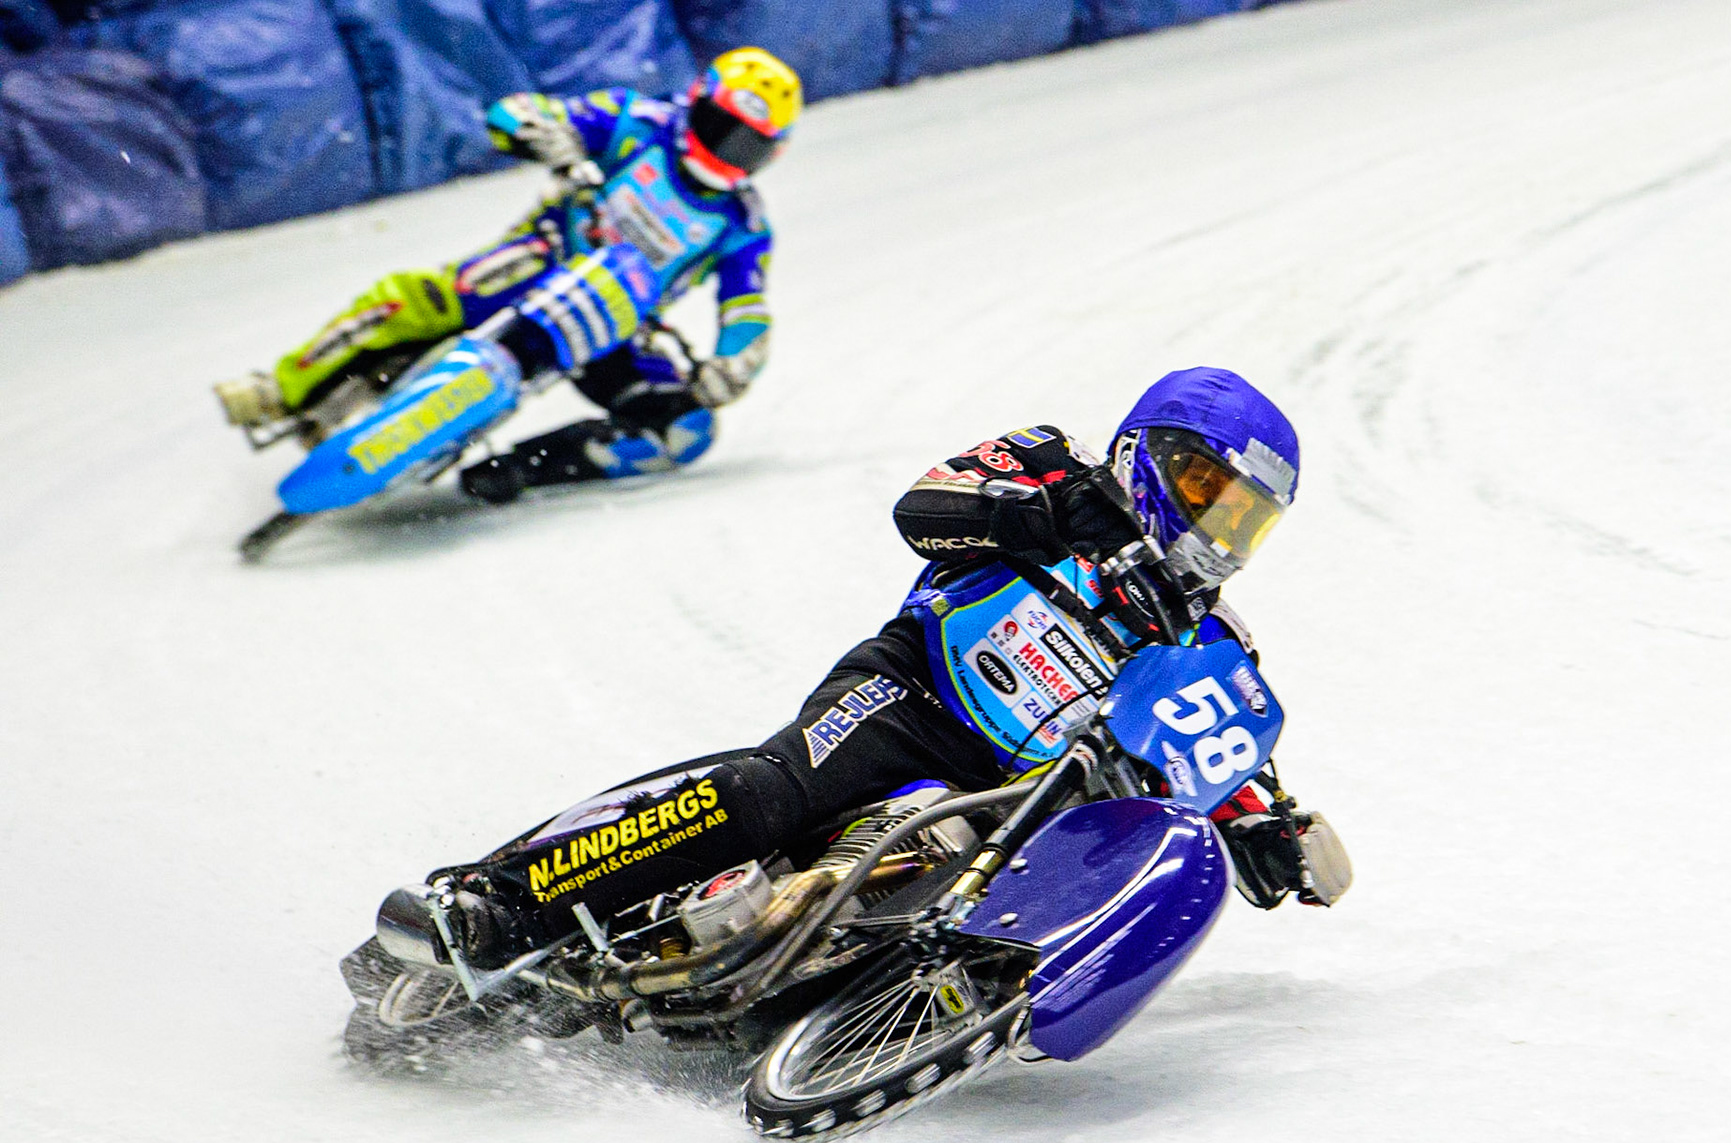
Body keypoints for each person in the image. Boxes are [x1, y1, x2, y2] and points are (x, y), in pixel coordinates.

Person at [442, 367, 1353, 968]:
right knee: (768, 794)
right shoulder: (1050, 462)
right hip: (910, 692)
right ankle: (502, 900)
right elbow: (922, 511)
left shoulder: (1211, 634)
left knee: (984, 905)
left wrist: (1263, 828)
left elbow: (1200, 741)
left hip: (1008, 796)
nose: (1217, 528)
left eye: (1242, 518)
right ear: (1144, 452)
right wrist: (1048, 519)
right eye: (1206, 493)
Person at [212, 48, 800, 504]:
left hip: (616, 324)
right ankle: (281, 392)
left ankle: (523, 468)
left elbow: (745, 303)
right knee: (414, 300)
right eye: (722, 130)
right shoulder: (634, 120)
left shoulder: (743, 224)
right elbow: (516, 112)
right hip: (536, 261)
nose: (729, 152)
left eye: (749, 145)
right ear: (697, 104)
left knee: (683, 429)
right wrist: (546, 132)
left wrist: (735, 362)